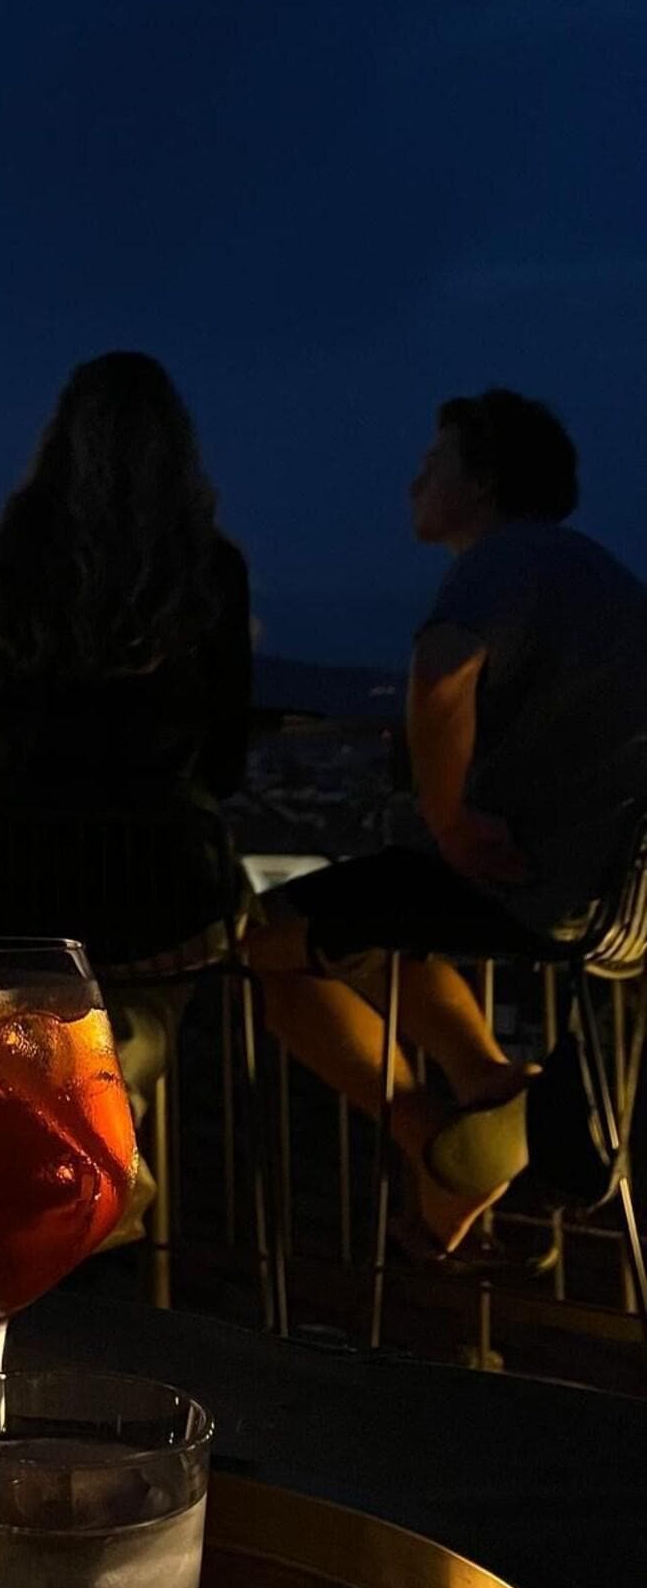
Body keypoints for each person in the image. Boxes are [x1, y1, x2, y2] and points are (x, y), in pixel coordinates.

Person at [250, 389, 647, 1255]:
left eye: (433, 465)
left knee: (259, 940)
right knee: (380, 919)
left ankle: (430, 1138)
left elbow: (440, 671)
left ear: (483, 481)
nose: (413, 484)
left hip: (529, 881)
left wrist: (450, 819)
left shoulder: (507, 559)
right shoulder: (595, 573)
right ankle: (489, 1089)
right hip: (604, 899)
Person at [0, 351, 253, 1233]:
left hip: (19, 888)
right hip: (164, 892)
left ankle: (95, 1136)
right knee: (186, 963)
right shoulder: (212, 569)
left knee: (55, 985)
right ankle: (120, 1092)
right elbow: (227, 763)